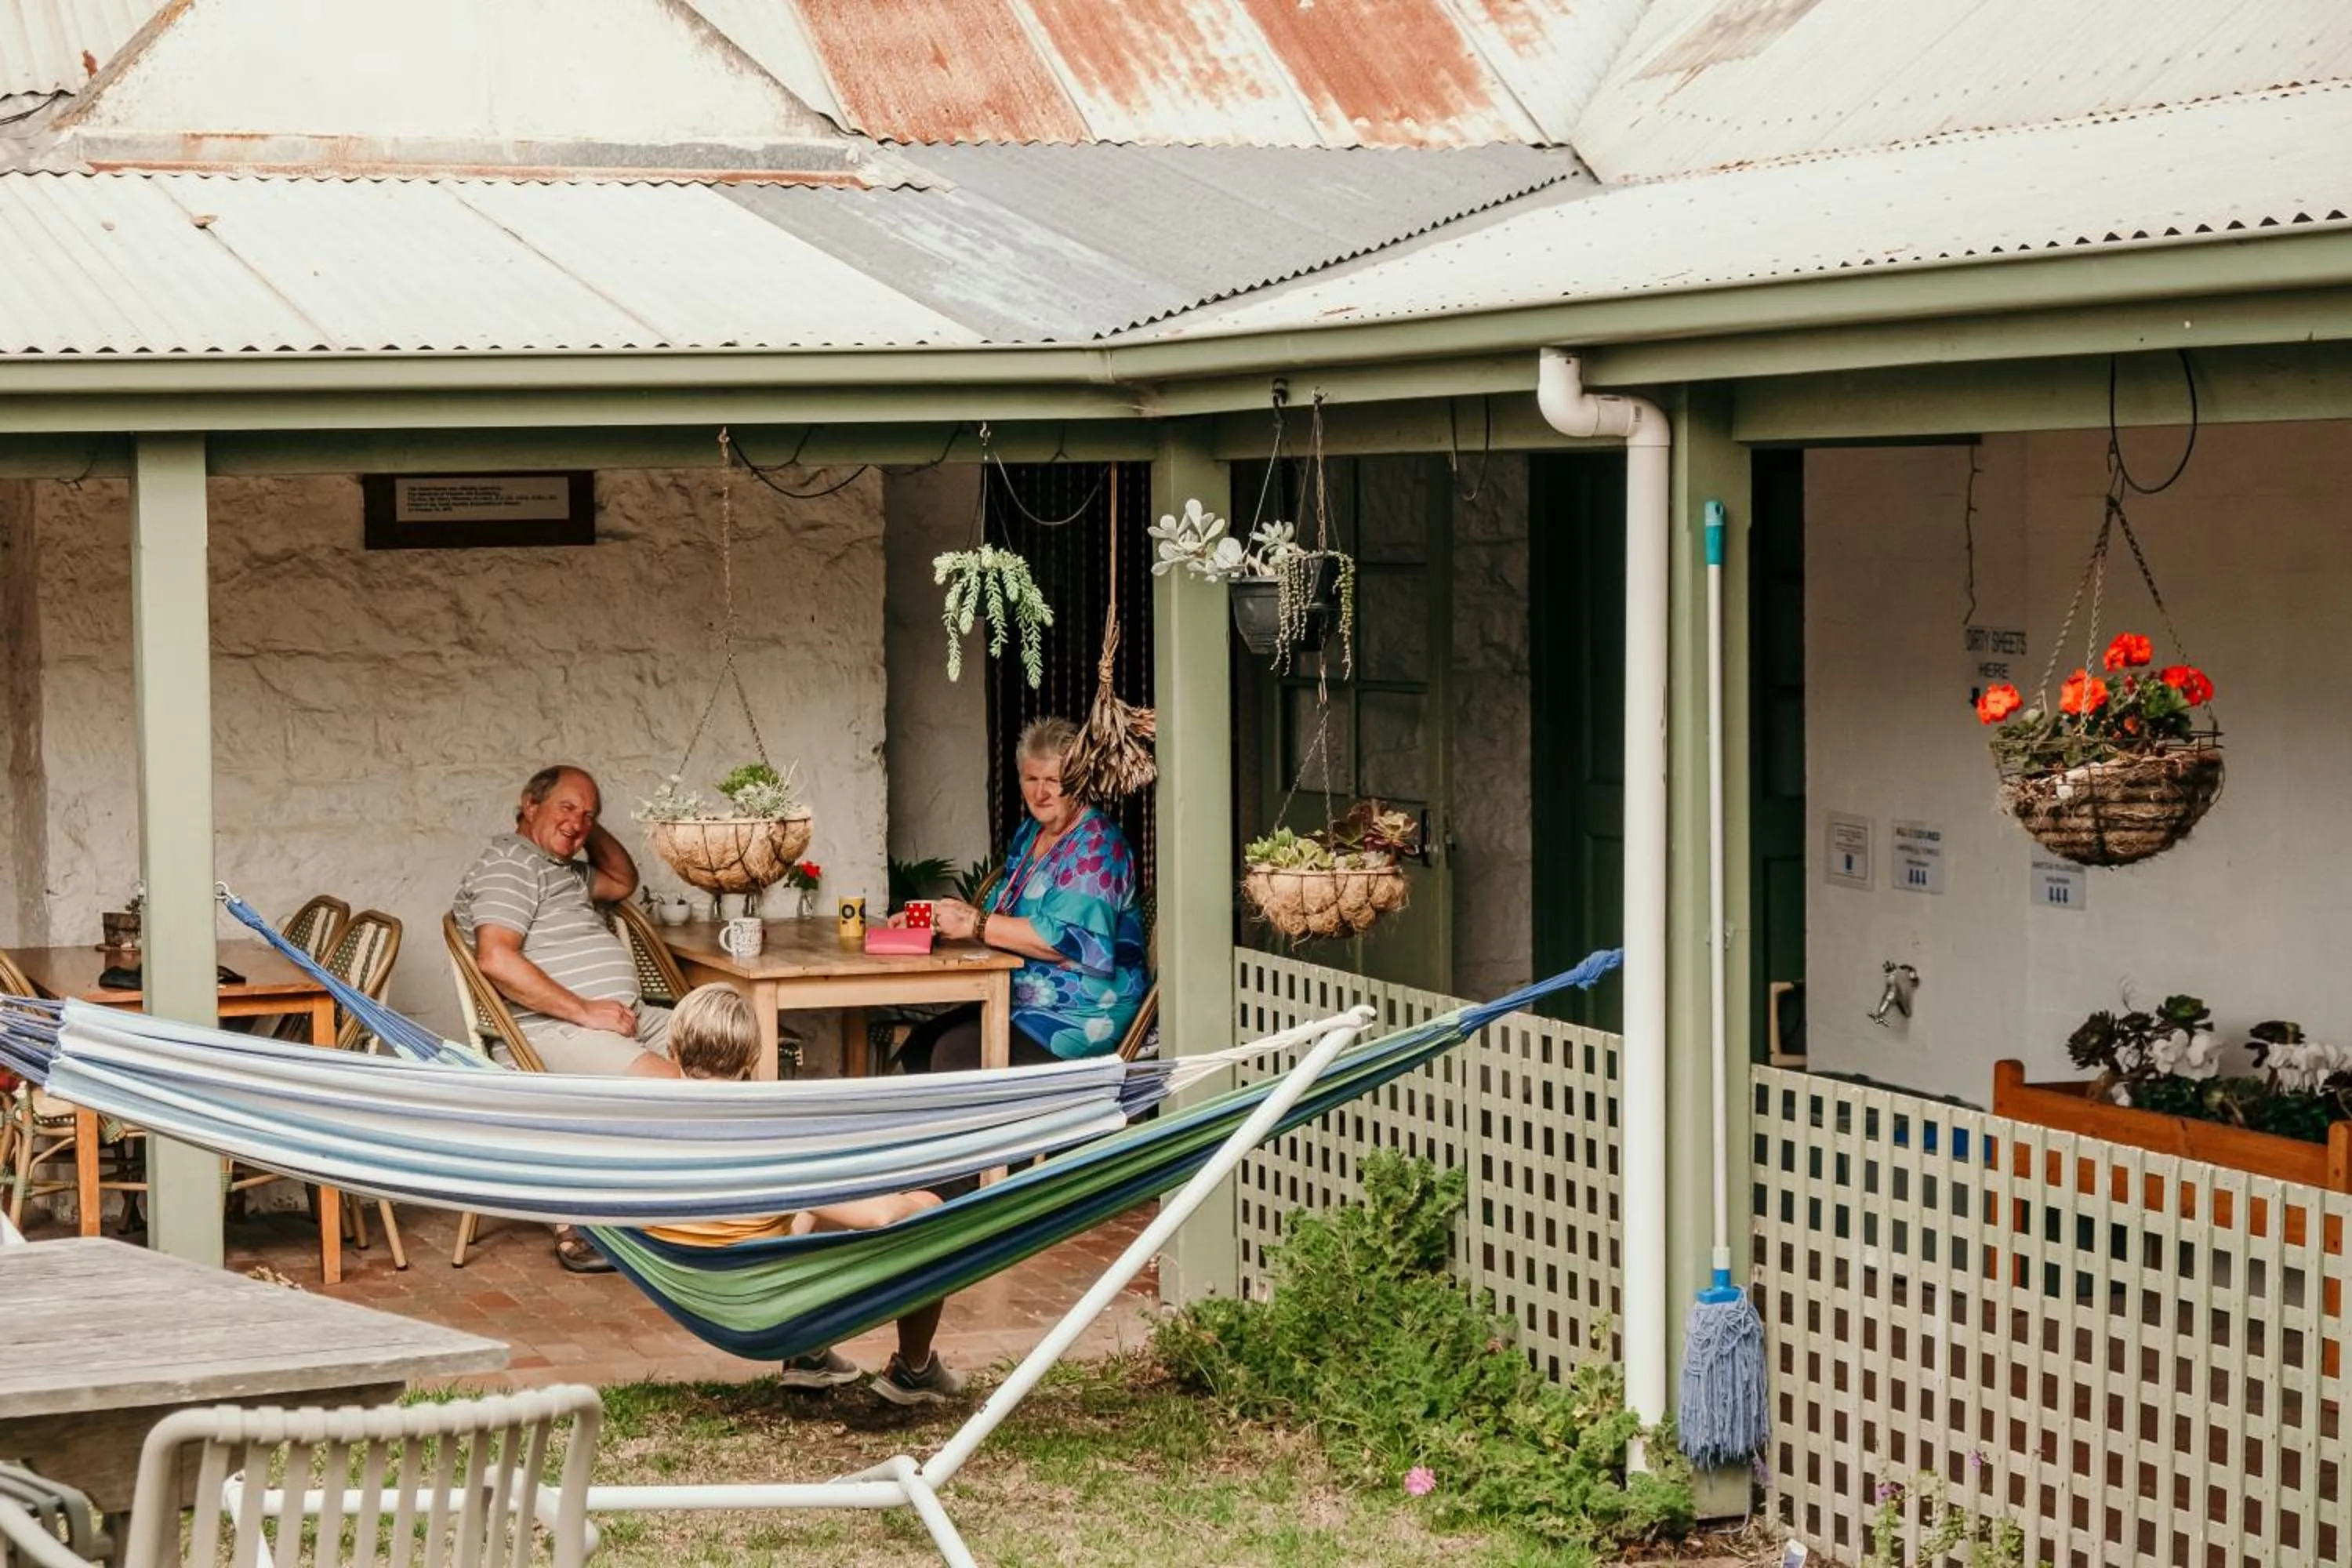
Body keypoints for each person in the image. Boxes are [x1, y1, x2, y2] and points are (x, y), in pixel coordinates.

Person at [652, 984, 969, 1404]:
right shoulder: (767, 1145)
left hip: (696, 1293)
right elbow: (877, 1218)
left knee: (808, 1208)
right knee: (928, 1217)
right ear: (752, 1060)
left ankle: (810, 1358)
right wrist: (921, 1200)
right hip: (764, 1307)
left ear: (674, 1051)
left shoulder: (648, 1135)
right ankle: (915, 1367)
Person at [452, 763, 681, 1272]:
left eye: (590, 814)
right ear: (529, 803)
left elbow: (623, 880)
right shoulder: (510, 863)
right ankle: (598, 1215)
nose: (578, 823)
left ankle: (717, 1205)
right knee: (674, 1084)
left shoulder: (561, 869)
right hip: (553, 1028)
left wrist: (579, 825)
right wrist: (584, 1011)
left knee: (725, 1051)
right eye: (566, 806)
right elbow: (497, 959)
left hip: (623, 1017)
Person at [898, 717, 1148, 1073]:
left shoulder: (1097, 846)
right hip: (1020, 998)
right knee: (921, 1045)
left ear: (1078, 782)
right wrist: (937, 920)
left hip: (1079, 1014)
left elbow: (1060, 940)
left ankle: (991, 1131)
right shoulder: (1032, 833)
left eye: (1053, 781)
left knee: (954, 1055)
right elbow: (999, 913)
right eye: (1032, 779)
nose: (1040, 793)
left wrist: (975, 923)